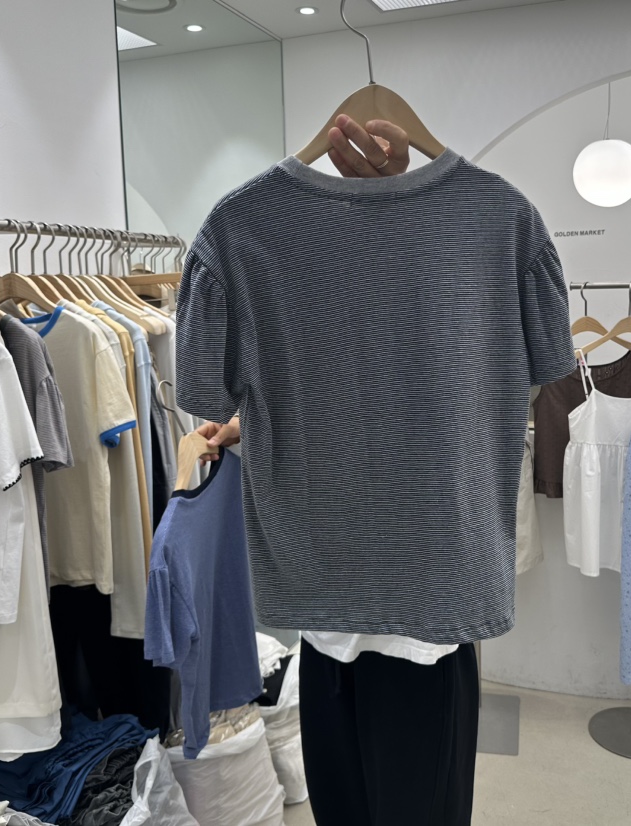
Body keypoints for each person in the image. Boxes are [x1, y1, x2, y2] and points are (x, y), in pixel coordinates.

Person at [194, 115, 480, 826]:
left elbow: (460, 397)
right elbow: (320, 388)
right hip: (326, 619)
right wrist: (248, 424)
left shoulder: (461, 241)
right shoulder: (272, 244)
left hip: (421, 625)